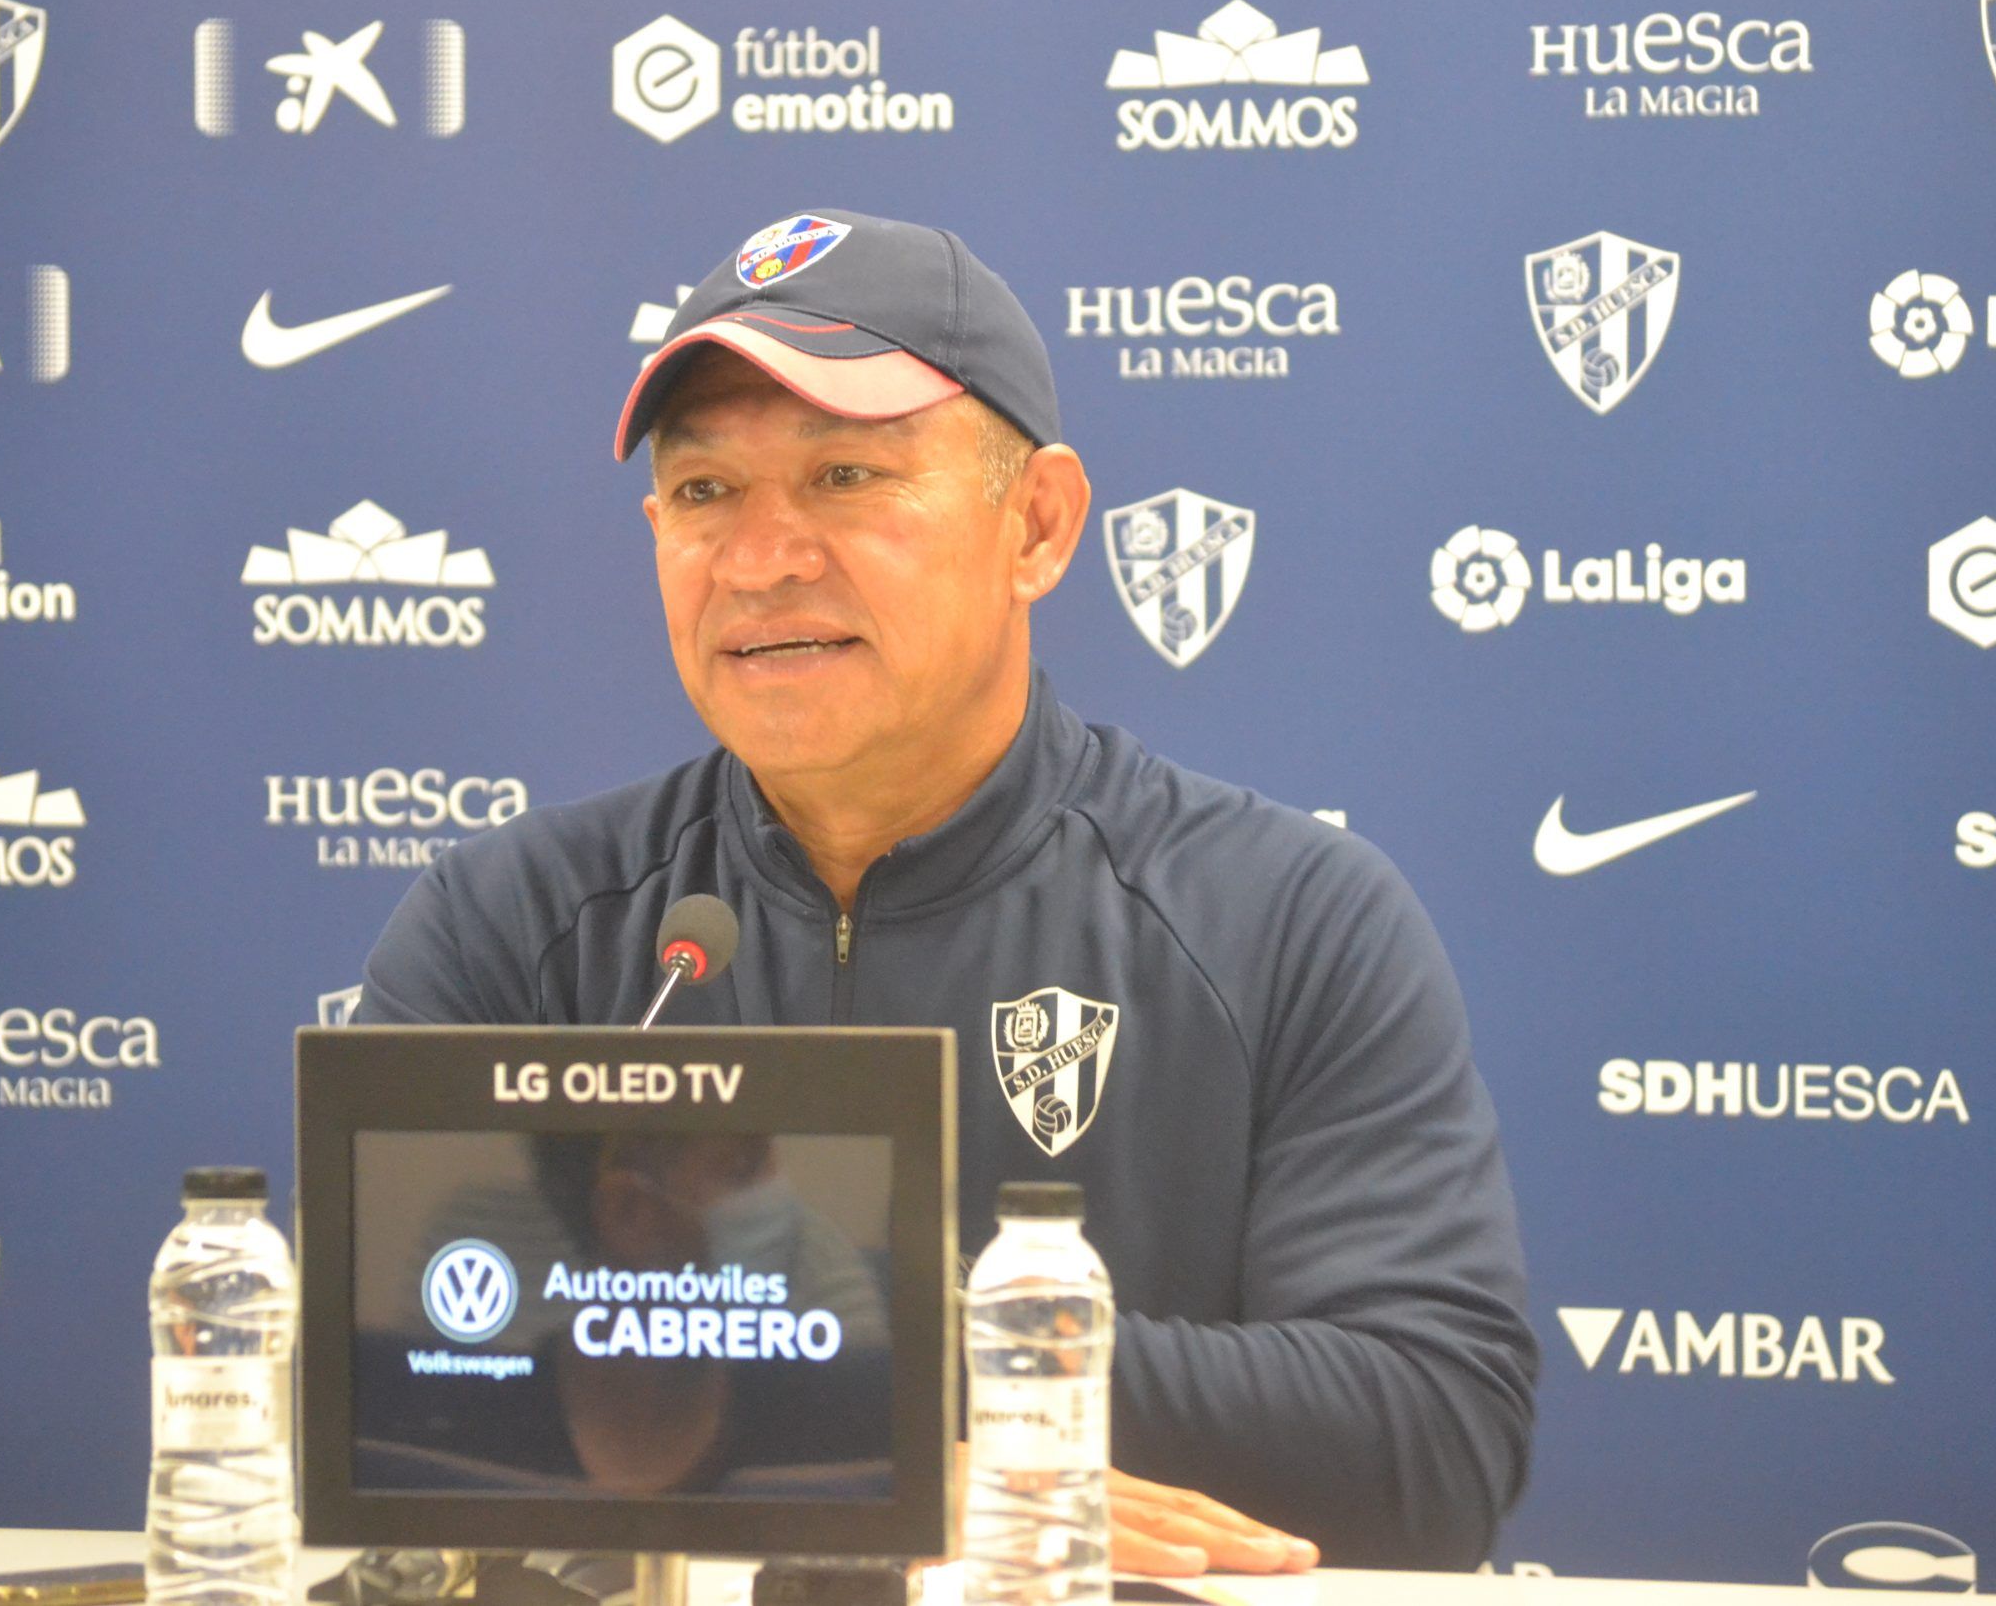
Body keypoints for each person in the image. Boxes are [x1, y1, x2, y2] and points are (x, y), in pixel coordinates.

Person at [358, 209, 1538, 1571]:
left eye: (847, 475)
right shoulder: (511, 924)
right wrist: (882, 1471)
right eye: (704, 493)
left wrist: (876, 1431)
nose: (760, 557)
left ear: (1036, 525)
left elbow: (1429, 1446)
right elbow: (372, 1412)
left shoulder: (1289, 917)